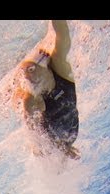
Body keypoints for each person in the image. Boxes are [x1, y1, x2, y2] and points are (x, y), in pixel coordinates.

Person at [12, 20, 80, 160]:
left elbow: (63, 35)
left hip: (67, 136)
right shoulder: (31, 100)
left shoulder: (60, 68)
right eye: (24, 73)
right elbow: (36, 139)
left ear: (44, 66)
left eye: (31, 70)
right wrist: (61, 148)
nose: (28, 77)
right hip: (54, 142)